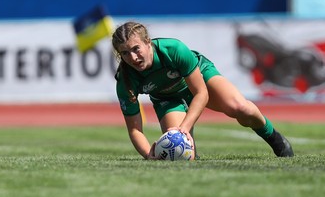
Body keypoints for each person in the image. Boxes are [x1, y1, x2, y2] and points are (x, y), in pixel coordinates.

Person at [112, 21, 294, 160]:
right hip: (167, 98)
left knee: (240, 108)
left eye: (136, 49)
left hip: (200, 78)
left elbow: (201, 93)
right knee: (179, 155)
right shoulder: (125, 80)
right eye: (125, 53)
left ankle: (274, 137)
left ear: (148, 43)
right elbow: (135, 130)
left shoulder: (174, 50)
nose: (133, 58)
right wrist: (148, 155)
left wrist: (184, 128)